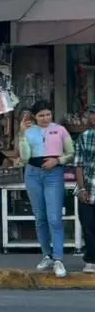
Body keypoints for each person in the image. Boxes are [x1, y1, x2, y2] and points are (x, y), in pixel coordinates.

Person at [17, 100, 74, 277]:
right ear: (34, 117)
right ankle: (46, 255)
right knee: (40, 217)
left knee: (54, 217)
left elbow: (71, 153)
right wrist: (21, 134)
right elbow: (25, 158)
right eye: (41, 115)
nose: (45, 118)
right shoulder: (28, 131)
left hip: (53, 174)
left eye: (48, 114)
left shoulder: (60, 130)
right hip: (32, 174)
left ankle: (58, 258)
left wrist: (57, 160)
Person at [72, 103, 95, 273]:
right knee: (88, 225)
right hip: (89, 187)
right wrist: (81, 189)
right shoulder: (84, 137)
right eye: (93, 114)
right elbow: (78, 165)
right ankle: (91, 260)